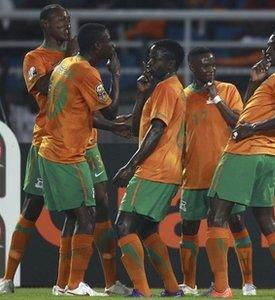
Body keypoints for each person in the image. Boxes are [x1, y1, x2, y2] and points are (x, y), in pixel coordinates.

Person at [0, 6, 129, 296]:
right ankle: (7, 277)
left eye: (69, 20)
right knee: (33, 207)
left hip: (86, 140)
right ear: (45, 24)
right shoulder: (35, 58)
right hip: (48, 138)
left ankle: (107, 282)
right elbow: (45, 86)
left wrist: (111, 125)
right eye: (60, 20)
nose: (66, 24)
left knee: (98, 205)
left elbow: (87, 106)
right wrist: (72, 58)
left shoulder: (79, 62)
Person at [204, 28, 275, 297]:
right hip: (266, 154)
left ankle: (222, 288)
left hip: (246, 151)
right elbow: (247, 114)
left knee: (216, 215)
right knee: (265, 219)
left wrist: (253, 129)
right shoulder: (274, 78)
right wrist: (254, 82)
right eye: (268, 45)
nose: (268, 50)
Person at [37, 22, 120, 296]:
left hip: (52, 150)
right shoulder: (87, 71)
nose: (112, 45)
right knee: (88, 217)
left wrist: (113, 127)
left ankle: (62, 285)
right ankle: (74, 285)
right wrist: (116, 74)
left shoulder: (67, 64)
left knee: (75, 218)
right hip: (68, 155)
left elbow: (81, 113)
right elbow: (109, 111)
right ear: (97, 46)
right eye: (108, 40)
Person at [179, 46, 256, 296]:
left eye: (213, 64)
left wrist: (216, 97)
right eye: (205, 65)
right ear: (192, 67)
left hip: (224, 171)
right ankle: (189, 284)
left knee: (235, 223)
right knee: (189, 228)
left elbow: (238, 122)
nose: (211, 69)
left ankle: (247, 283)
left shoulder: (229, 90)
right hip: (193, 172)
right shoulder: (183, 97)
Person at [113, 39, 185, 297]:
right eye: (150, 57)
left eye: (157, 58)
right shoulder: (165, 88)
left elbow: (157, 130)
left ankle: (141, 291)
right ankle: (173, 288)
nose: (150, 62)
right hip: (169, 170)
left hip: (154, 168)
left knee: (123, 226)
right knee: (145, 229)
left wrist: (131, 165)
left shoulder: (166, 89)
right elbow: (137, 130)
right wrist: (141, 95)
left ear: (171, 63)